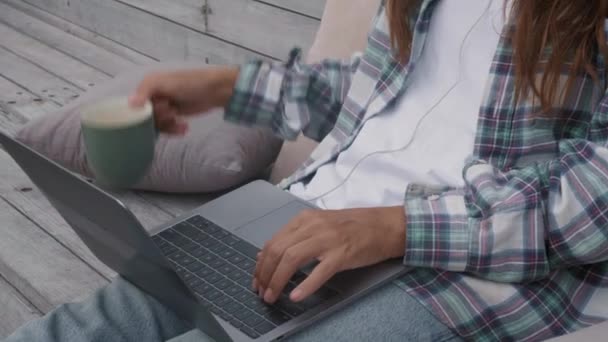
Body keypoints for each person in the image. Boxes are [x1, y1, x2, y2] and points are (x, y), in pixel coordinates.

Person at [7, 0, 608, 341]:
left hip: (463, 270)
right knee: (95, 323)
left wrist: (395, 227)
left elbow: (592, 203)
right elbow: (381, 92)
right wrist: (229, 87)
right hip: (314, 218)